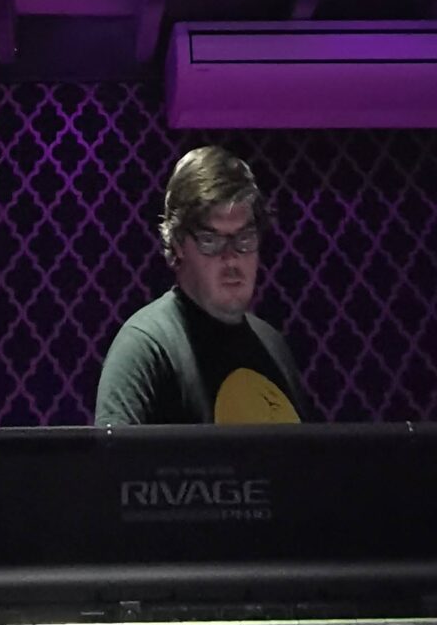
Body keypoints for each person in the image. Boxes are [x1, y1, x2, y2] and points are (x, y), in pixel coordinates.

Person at [94, 144, 310, 425]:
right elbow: (113, 454)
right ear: (178, 243)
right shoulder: (145, 347)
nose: (231, 258)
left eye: (244, 238)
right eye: (211, 240)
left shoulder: (274, 345)